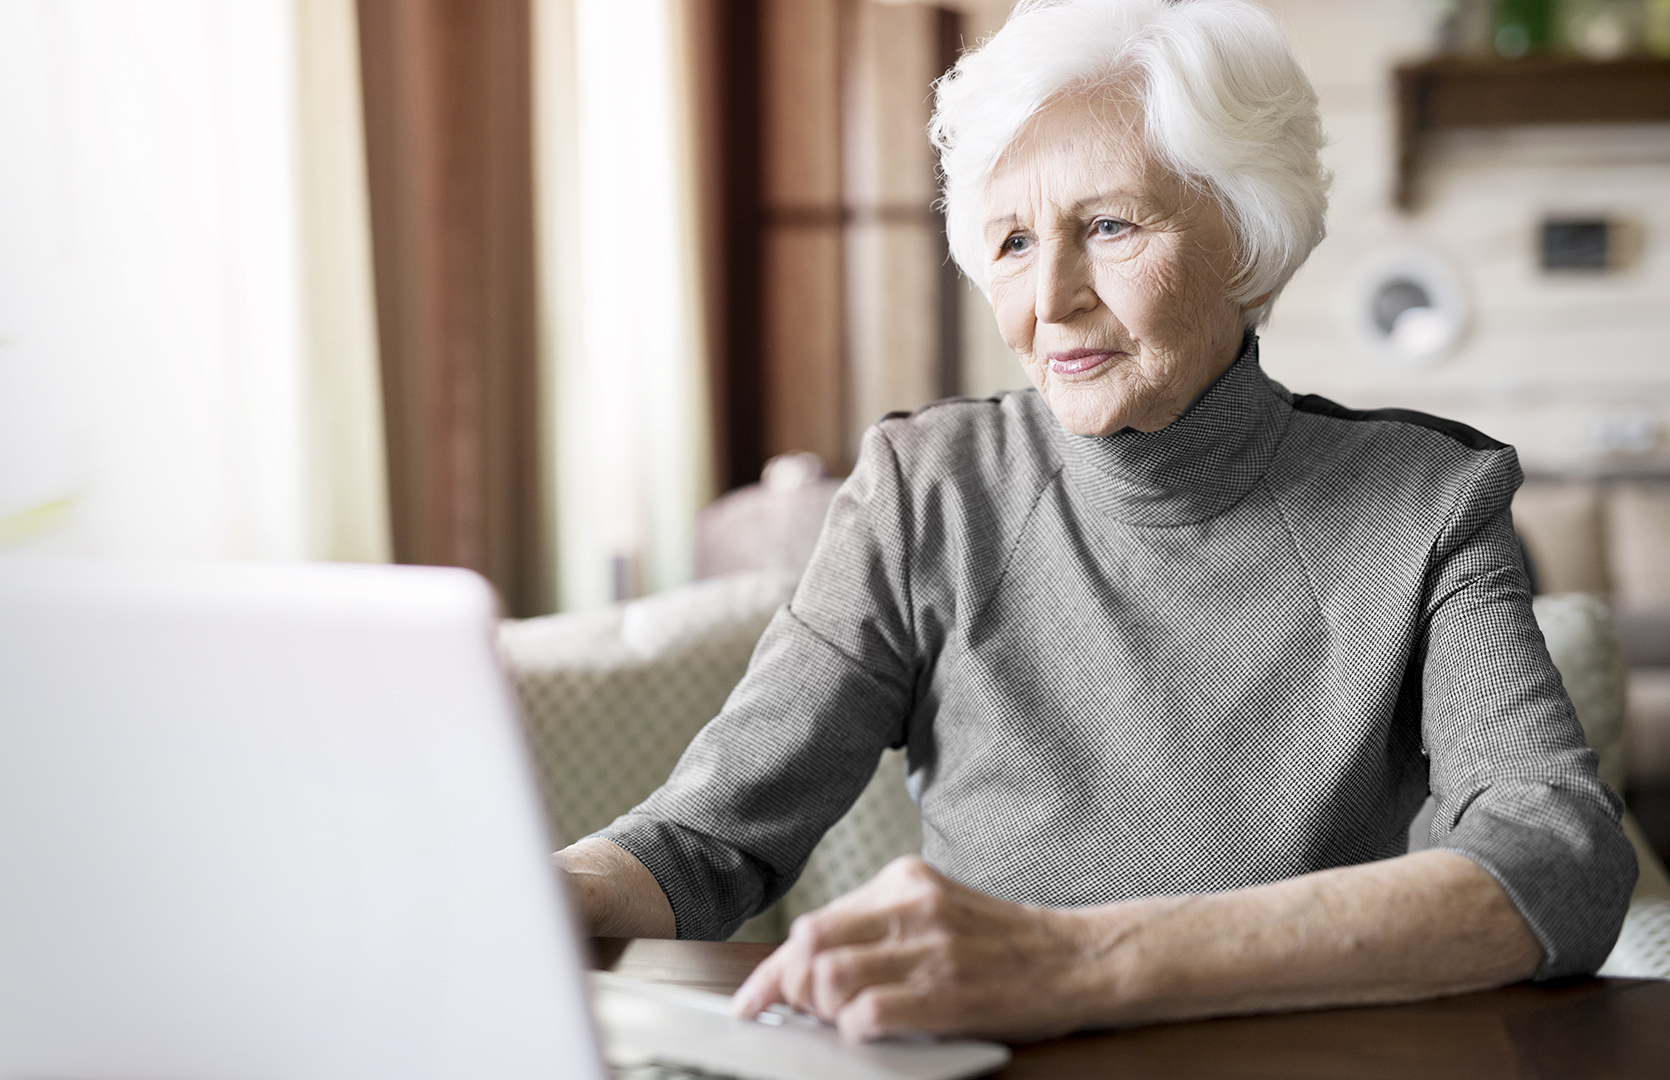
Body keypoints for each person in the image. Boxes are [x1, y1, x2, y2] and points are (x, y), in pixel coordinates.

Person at [554, 0, 1637, 1042]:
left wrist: (1078, 964)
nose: (1052, 298)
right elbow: (707, 837)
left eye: (1110, 226)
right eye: (1013, 243)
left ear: (1248, 243)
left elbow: (1559, 859)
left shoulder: (1426, 500)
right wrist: (548, 892)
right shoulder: (923, 489)